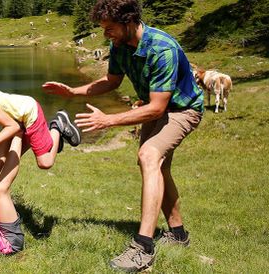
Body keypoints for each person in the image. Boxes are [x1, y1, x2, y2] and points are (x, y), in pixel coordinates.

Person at [42, 0, 204, 271]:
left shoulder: (162, 48)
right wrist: (73, 92)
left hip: (183, 109)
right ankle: (178, 235)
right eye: (103, 29)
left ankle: (143, 247)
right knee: (158, 168)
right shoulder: (119, 45)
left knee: (149, 156)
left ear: (130, 22)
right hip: (156, 109)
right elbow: (111, 81)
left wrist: (109, 120)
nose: (106, 34)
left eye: (110, 28)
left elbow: (157, 107)